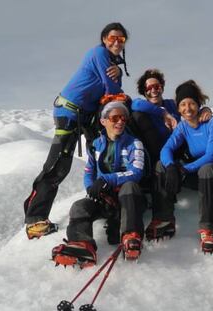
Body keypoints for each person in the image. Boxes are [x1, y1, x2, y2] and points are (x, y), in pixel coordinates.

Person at [24, 22, 130, 239]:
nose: (117, 42)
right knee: (58, 165)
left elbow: (110, 91)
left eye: (121, 39)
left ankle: (103, 199)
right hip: (70, 113)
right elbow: (111, 90)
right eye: (113, 38)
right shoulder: (99, 53)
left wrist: (118, 71)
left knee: (101, 153)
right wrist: (118, 76)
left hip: (86, 116)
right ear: (104, 39)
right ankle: (35, 219)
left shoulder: (111, 62)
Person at [51, 101, 146, 266]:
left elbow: (136, 172)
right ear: (104, 121)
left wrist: (105, 180)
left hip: (128, 198)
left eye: (123, 118)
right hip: (105, 199)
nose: (120, 121)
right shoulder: (96, 145)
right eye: (115, 117)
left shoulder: (134, 143)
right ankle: (82, 245)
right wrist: (91, 188)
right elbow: (89, 171)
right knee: (79, 206)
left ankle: (131, 237)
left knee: (130, 186)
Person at [146, 80, 213, 254]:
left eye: (192, 103)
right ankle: (164, 218)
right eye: (183, 104)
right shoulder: (183, 126)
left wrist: (184, 169)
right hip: (197, 171)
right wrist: (171, 166)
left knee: (207, 168)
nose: (188, 108)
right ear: (178, 109)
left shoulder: (212, 123)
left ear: (198, 105)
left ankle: (208, 229)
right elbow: (167, 149)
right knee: (160, 165)